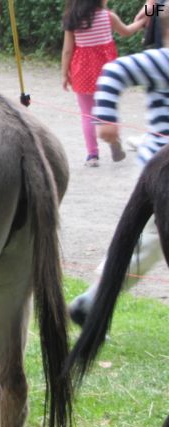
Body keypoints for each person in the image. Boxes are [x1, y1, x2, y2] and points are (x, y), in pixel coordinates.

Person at [68, 2, 169, 326]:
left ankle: (93, 301)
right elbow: (114, 71)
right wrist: (106, 119)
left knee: (146, 245)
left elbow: (155, 10)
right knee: (148, 245)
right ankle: (93, 302)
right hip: (162, 171)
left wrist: (151, 11)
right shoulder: (163, 59)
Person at [61, 0, 144, 167]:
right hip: (107, 71)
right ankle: (114, 140)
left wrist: (64, 73)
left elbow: (68, 50)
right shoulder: (108, 17)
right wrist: (143, 21)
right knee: (108, 107)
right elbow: (126, 31)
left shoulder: (73, 19)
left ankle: (92, 155)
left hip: (82, 71)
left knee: (87, 114)